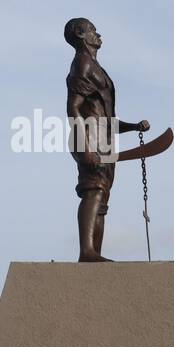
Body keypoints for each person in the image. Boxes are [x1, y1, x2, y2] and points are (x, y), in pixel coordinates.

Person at [64, 18, 149, 261]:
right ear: (81, 34)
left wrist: (133, 127)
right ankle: (87, 252)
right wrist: (87, 146)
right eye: (92, 30)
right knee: (93, 190)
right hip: (89, 137)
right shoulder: (82, 65)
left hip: (102, 137)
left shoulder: (94, 66)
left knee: (101, 197)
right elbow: (73, 109)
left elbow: (106, 119)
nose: (98, 33)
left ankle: (94, 255)